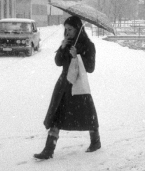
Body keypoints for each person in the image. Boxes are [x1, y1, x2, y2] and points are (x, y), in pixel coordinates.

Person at [34, 16, 100, 160]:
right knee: (57, 114)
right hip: (64, 85)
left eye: (70, 29)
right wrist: (62, 48)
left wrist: (78, 55)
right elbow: (58, 62)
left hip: (78, 85)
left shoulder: (89, 46)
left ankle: (96, 141)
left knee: (87, 114)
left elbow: (90, 68)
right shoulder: (67, 43)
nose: (67, 32)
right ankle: (48, 149)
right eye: (66, 29)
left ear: (78, 29)